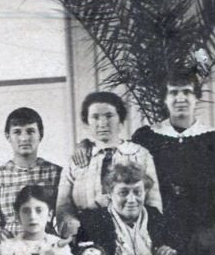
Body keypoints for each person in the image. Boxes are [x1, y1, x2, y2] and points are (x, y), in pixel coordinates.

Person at [130, 76, 215, 249]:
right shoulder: (146, 137)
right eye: (173, 92)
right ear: (164, 99)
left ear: (197, 97)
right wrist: (85, 145)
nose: (180, 98)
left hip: (204, 226)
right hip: (158, 224)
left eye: (187, 92)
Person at [55, 91, 161, 239]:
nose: (103, 123)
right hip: (86, 233)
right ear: (86, 123)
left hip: (131, 234)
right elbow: (63, 205)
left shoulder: (140, 154)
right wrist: (72, 225)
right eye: (95, 117)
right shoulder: (76, 160)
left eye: (109, 116)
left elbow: (153, 203)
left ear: (120, 120)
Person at [0, 107, 63, 238]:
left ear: (40, 134)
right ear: (8, 136)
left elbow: (62, 215)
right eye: (17, 132)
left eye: (30, 131)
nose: (24, 138)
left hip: (46, 245)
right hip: (9, 245)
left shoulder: (55, 173)